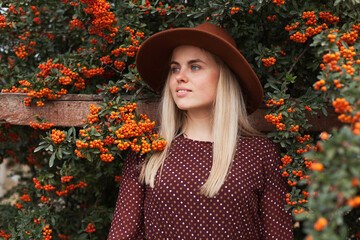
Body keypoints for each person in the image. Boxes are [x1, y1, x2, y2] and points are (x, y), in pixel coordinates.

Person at [108, 22, 294, 239]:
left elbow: (279, 235)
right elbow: (121, 235)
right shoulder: (148, 151)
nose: (180, 76)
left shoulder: (260, 153)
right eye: (175, 68)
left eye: (195, 66)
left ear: (224, 77)